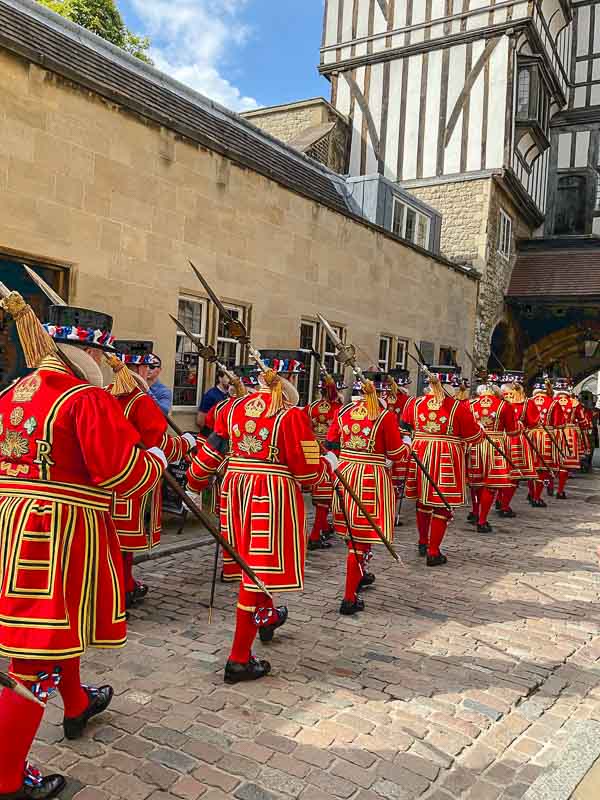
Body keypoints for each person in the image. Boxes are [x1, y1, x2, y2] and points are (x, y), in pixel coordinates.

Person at [0, 296, 165, 799]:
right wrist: (156, 457)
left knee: (54, 628)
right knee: (33, 655)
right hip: (59, 535)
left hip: (11, 522)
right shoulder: (84, 397)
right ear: (90, 354)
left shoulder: (11, 393)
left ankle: (75, 701)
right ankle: (7, 776)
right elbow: (120, 474)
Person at [187, 352, 329, 683]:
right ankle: (238, 657)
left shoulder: (232, 408)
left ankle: (266, 618)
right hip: (271, 494)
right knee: (257, 569)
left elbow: (212, 448)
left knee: (251, 564)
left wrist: (194, 480)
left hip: (235, 490)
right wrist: (328, 466)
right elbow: (307, 470)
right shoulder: (290, 415)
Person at [109, 341, 196, 608]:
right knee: (125, 543)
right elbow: (157, 444)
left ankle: (124, 584)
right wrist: (187, 444)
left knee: (110, 540)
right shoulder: (140, 400)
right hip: (132, 478)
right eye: (147, 366)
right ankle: (122, 589)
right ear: (142, 367)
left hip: (103, 478)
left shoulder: (103, 392)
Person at [326, 372, 409, 614]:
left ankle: (358, 576)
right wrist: (406, 444)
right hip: (370, 478)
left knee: (353, 534)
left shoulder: (342, 412)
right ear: (382, 394)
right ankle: (349, 597)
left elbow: (331, 442)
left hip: (346, 472)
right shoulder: (384, 417)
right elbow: (395, 454)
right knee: (359, 540)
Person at [402, 367, 484, 565]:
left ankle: (423, 541)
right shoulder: (457, 407)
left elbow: (403, 428)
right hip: (445, 456)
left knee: (423, 500)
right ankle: (433, 550)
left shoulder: (414, 403)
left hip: (419, 452)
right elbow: (474, 436)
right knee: (443, 503)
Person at [468, 373, 519, 533]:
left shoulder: (470, 404)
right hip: (496, 445)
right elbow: (512, 432)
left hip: (474, 444)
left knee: (475, 484)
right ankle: (482, 520)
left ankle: (475, 512)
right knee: (490, 485)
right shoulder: (504, 405)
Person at [306, 373, 343, 551]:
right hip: (332, 452)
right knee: (325, 496)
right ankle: (315, 534)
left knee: (318, 492)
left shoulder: (312, 406)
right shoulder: (340, 408)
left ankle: (324, 527)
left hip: (312, 451)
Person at [531, 376, 566, 501]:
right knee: (544, 469)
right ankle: (537, 496)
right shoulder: (553, 403)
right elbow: (559, 424)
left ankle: (531, 493)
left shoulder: (529, 400)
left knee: (531, 468)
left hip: (531, 437)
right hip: (546, 438)